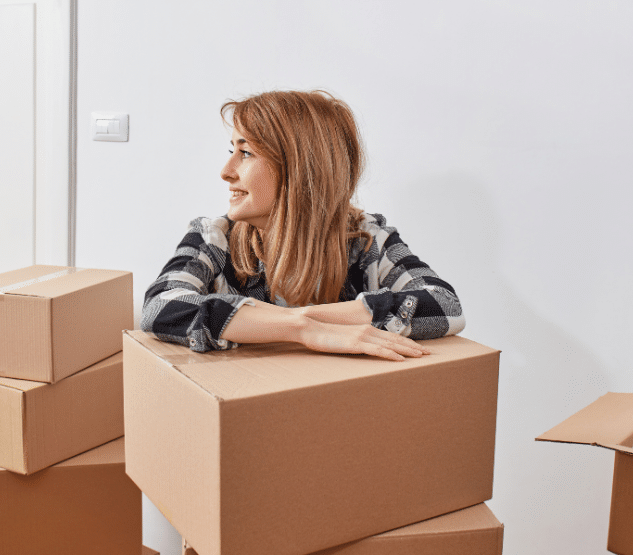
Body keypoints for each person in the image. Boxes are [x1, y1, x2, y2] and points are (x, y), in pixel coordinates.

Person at [140, 90, 465, 361]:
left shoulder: (365, 239)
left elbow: (445, 305)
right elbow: (160, 307)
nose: (226, 171)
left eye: (246, 153)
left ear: (300, 170)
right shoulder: (214, 237)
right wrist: (300, 328)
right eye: (232, 150)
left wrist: (302, 319)